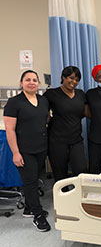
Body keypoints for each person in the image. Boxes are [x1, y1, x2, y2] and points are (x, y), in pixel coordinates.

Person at [3, 70, 50, 232]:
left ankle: (29, 209)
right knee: (30, 182)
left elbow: (45, 121)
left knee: (35, 178)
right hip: (24, 150)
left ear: (38, 83)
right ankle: (38, 216)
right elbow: (10, 130)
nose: (32, 82)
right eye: (28, 79)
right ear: (21, 82)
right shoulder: (14, 102)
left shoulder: (43, 101)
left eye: (35, 80)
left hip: (41, 148)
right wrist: (16, 153)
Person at [43, 66, 87, 183]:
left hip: (76, 139)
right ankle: (62, 199)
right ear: (63, 77)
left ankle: (77, 198)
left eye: (77, 79)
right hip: (57, 141)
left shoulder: (80, 94)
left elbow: (84, 113)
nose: (74, 82)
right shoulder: (51, 94)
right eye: (71, 78)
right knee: (60, 174)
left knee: (81, 170)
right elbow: (41, 113)